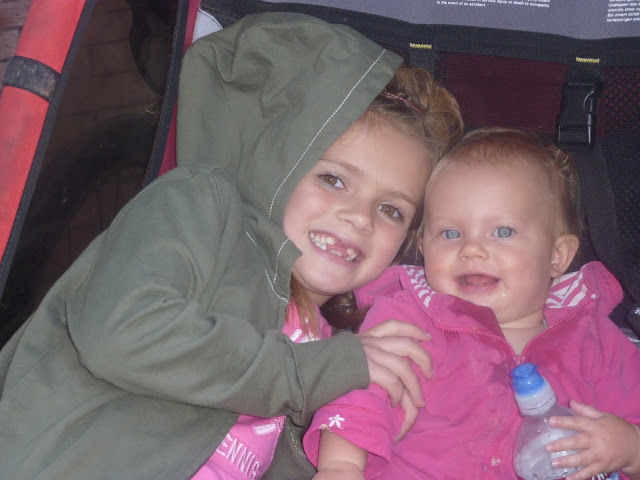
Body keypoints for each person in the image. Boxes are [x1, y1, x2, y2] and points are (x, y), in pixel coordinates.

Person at [0, 12, 464, 480]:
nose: (361, 218)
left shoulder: (325, 343)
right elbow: (123, 331)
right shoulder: (201, 206)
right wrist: (315, 373)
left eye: (391, 210)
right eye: (333, 179)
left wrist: (326, 441)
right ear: (277, 160)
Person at [304, 128, 640, 480]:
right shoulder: (410, 319)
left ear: (557, 256)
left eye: (503, 232)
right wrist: (340, 467)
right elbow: (362, 395)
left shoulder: (594, 338)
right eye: (450, 233)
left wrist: (629, 446)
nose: (472, 249)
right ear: (423, 247)